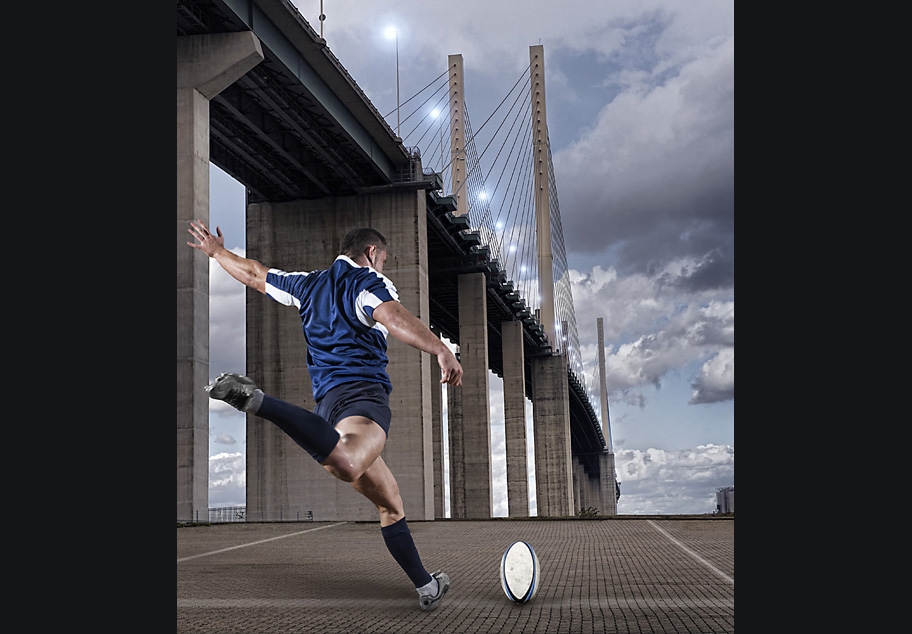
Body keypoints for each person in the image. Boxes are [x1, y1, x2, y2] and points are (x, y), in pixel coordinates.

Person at [187, 220, 463, 611]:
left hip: (329, 409)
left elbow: (254, 274)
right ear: (371, 254)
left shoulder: (307, 284)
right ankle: (258, 402)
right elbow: (394, 317)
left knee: (391, 503)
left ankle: (426, 586)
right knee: (349, 463)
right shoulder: (367, 282)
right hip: (362, 399)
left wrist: (217, 253)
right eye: (382, 260)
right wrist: (440, 349)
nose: (382, 267)